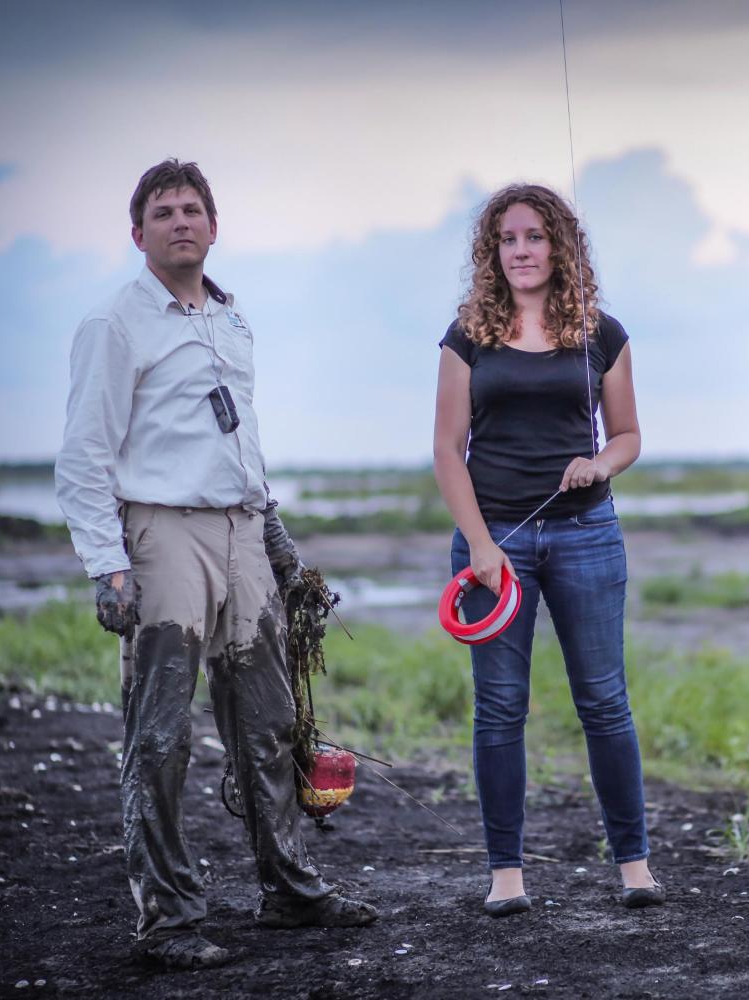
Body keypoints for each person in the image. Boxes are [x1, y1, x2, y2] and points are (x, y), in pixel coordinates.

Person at [54, 159, 378, 969]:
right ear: (138, 234)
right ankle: (167, 919)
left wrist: (274, 530)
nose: (180, 221)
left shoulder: (231, 321)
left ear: (214, 225)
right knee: (160, 734)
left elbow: (242, 438)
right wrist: (107, 564)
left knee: (268, 723)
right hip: (164, 536)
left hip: (242, 535)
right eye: (163, 212)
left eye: (193, 209)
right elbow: (83, 455)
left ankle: (290, 890)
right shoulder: (116, 324)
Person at [432, 183, 662, 916]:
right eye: (508, 239)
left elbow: (626, 436)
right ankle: (506, 877)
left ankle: (634, 866)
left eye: (535, 236)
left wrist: (601, 465)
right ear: (492, 252)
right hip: (494, 544)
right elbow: (446, 447)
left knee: (604, 702)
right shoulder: (468, 333)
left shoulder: (601, 331)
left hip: (587, 535)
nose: (522, 250)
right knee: (500, 708)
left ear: (560, 245)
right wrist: (479, 544)